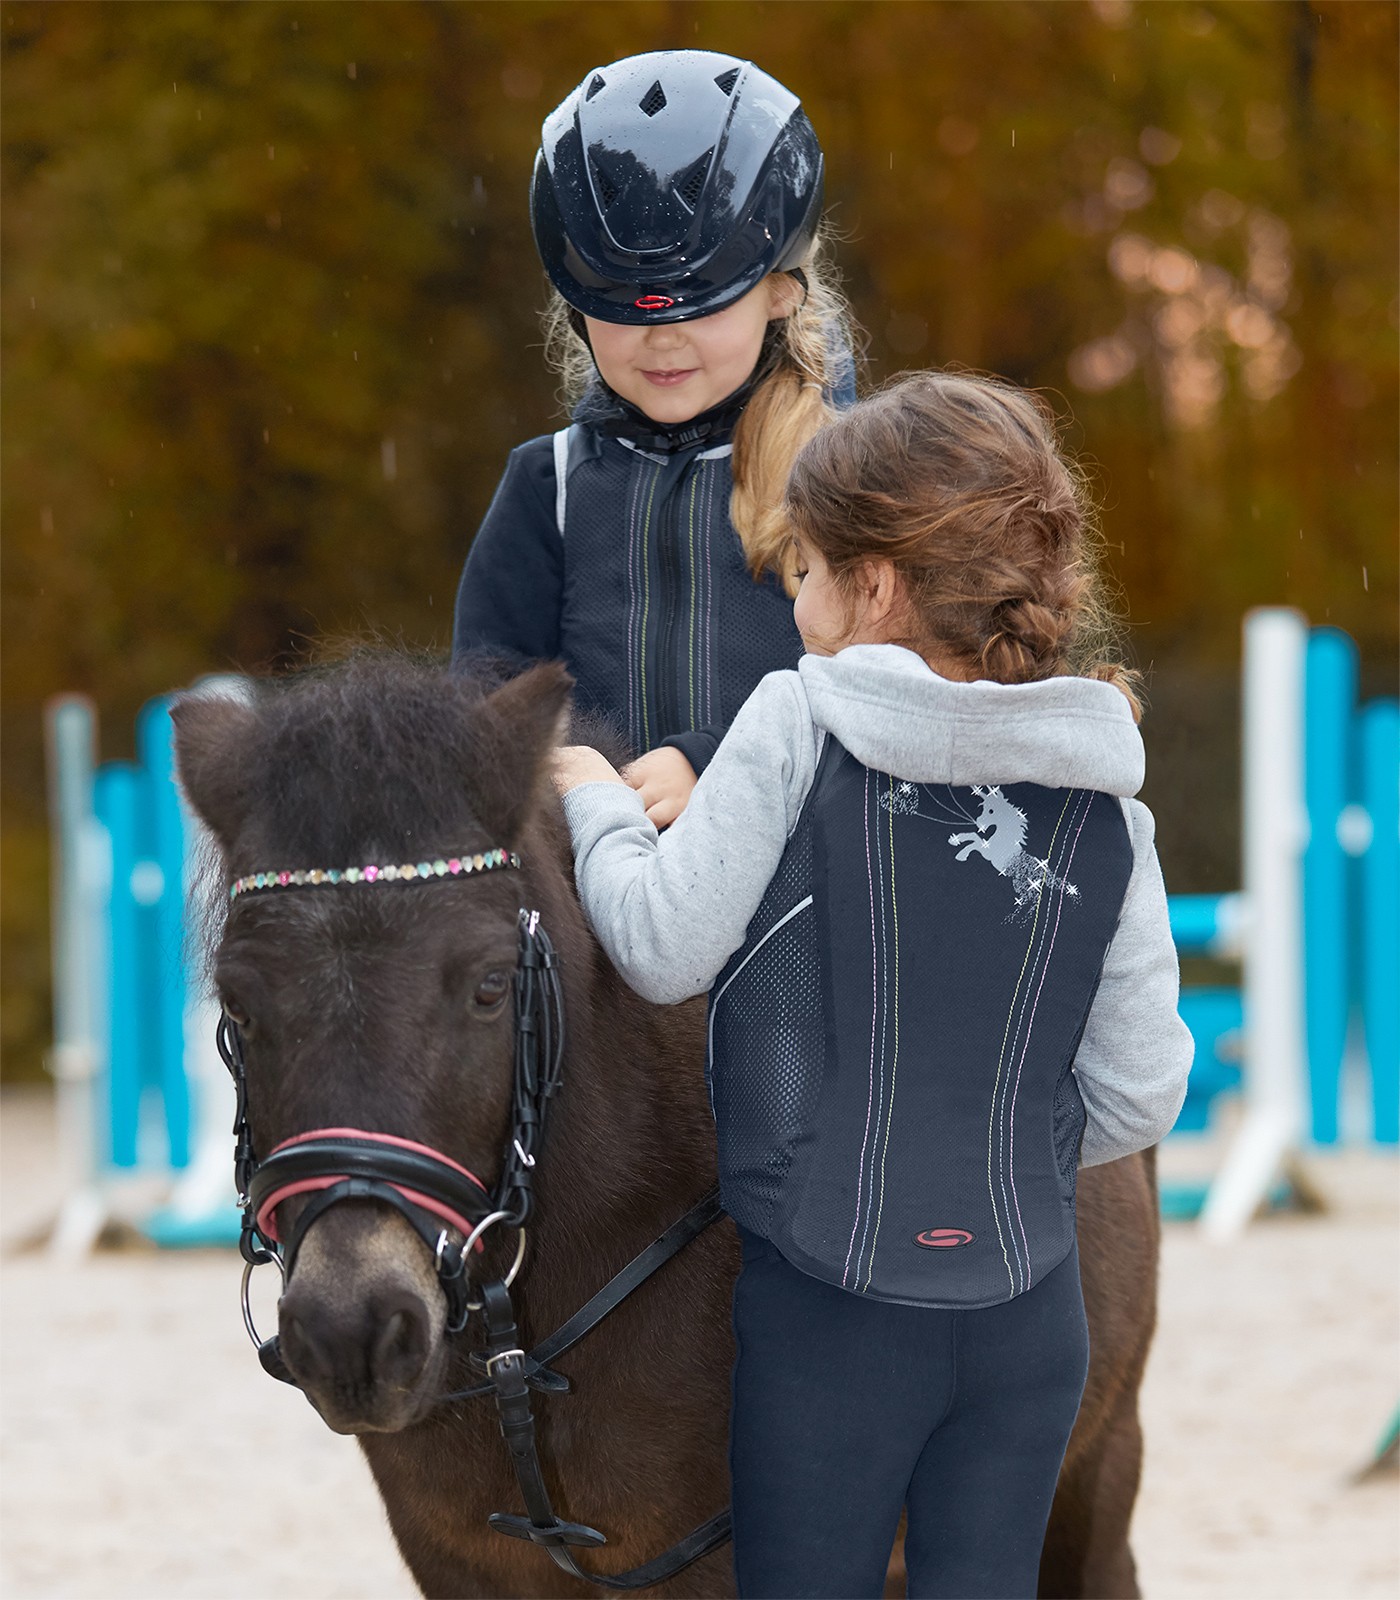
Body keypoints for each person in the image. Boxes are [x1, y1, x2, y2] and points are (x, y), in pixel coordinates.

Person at [552, 370, 1194, 1600]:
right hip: (1028, 1322)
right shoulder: (1107, 795)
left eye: (802, 569)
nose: (793, 595)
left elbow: (661, 947)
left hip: (831, 1319)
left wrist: (595, 809)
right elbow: (1141, 1097)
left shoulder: (800, 721)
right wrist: (980, 1155)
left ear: (876, 587)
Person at [453, 49, 855, 828]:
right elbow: (487, 702)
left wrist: (714, 760)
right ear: (576, 309)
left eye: (701, 308)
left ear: (778, 292)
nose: (663, 340)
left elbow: (887, 687)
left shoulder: (846, 477)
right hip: (602, 907)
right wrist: (571, 777)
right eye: (627, 311)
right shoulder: (550, 488)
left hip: (807, 910)